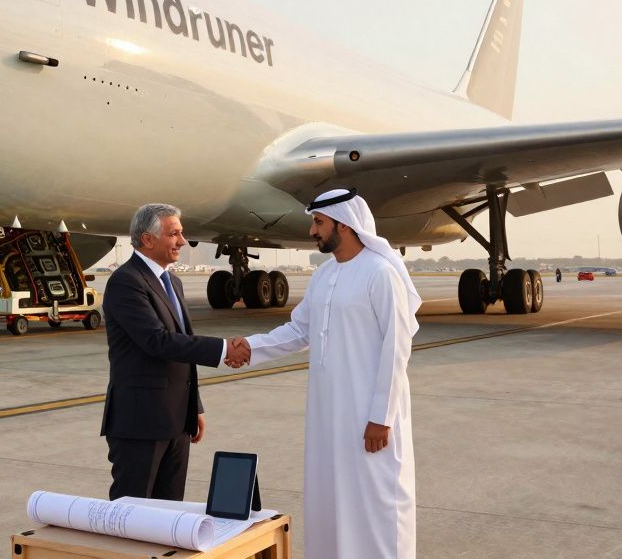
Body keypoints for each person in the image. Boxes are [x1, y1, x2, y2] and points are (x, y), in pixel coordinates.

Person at [227, 189, 419, 559]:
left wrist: (382, 417)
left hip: (371, 418)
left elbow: (397, 348)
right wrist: (250, 348)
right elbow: (300, 331)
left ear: (343, 225)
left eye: (318, 222)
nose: (312, 231)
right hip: (328, 417)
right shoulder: (324, 275)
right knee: (331, 501)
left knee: (377, 505)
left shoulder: (380, 273)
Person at [100, 203, 237, 501]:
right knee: (132, 516)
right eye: (174, 234)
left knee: (170, 512)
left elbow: (182, 345)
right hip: (141, 422)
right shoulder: (126, 281)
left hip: (176, 420)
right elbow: (158, 341)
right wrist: (224, 348)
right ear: (148, 240)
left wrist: (194, 406)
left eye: (181, 233)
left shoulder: (171, 281)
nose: (182, 241)